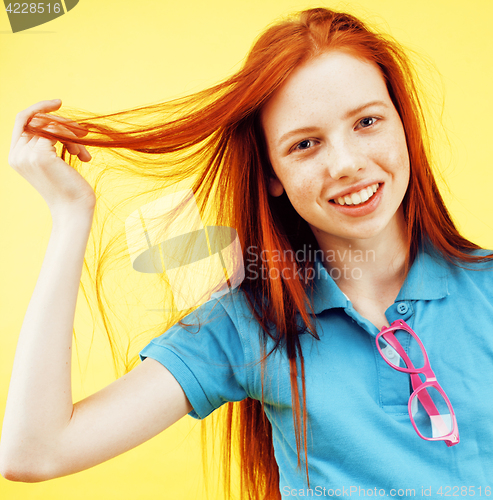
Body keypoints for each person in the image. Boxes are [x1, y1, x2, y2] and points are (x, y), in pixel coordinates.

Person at [1, 6, 493, 499]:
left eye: (367, 121)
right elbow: (35, 452)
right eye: (305, 145)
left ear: (404, 125)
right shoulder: (251, 325)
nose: (346, 164)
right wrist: (70, 215)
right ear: (273, 175)